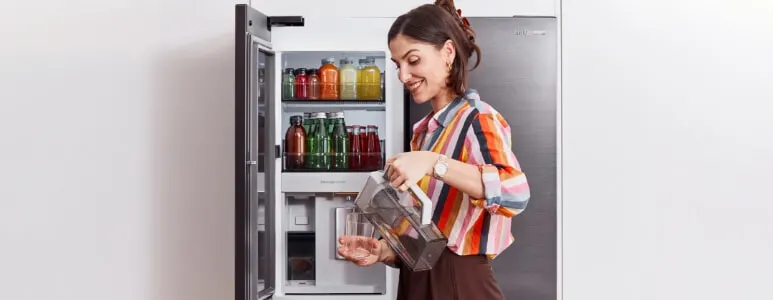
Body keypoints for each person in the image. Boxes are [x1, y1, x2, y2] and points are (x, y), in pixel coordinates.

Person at [337, 0, 531, 299]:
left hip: (459, 281)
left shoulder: (477, 119)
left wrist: (434, 163)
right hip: (419, 276)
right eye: (398, 64)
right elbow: (433, 229)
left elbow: (515, 193)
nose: (403, 76)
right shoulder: (424, 132)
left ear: (448, 53)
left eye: (413, 60)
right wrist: (386, 251)